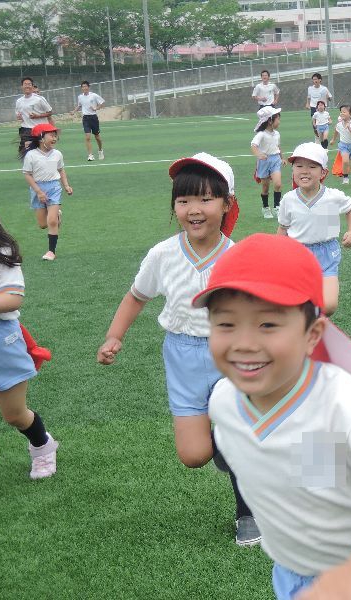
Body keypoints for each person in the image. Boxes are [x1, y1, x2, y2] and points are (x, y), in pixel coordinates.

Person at [192, 232, 351, 599]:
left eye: (268, 324)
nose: (244, 343)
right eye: (226, 324)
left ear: (312, 334)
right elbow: (316, 485)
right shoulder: (223, 401)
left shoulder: (343, 405)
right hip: (296, 571)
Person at [96, 153, 262, 547]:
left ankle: (249, 513)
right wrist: (114, 336)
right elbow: (136, 296)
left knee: (239, 432)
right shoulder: (163, 254)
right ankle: (225, 447)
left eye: (205, 199)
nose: (193, 209)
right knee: (193, 455)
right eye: (183, 200)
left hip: (231, 356)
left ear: (227, 203)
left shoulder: (239, 257)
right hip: (182, 356)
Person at [0, 207, 59, 479]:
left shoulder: (1, 252)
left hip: (0, 341)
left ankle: (42, 445)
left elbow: (12, 298)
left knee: (14, 414)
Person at [277, 143, 351, 316]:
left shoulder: (333, 196)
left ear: (323, 173)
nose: (304, 171)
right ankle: (308, 326)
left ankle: (315, 321)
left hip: (327, 253)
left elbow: (350, 208)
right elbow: (283, 228)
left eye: (312, 167)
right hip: (298, 255)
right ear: (292, 171)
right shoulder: (288, 199)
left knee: (329, 305)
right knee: (297, 305)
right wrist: (277, 253)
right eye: (299, 166)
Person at [20, 124, 72, 261]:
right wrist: (38, 192)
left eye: (55, 136)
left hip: (54, 187)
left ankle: (51, 251)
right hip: (37, 188)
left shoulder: (57, 154)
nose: (54, 138)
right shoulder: (31, 155)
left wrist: (66, 186)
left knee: (52, 222)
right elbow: (27, 174)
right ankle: (57, 215)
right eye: (51, 135)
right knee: (43, 224)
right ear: (41, 137)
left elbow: (61, 170)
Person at [252, 106, 284, 219]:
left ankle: (277, 207)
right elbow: (254, 146)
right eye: (278, 119)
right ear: (270, 121)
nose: (279, 121)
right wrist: (259, 154)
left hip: (275, 160)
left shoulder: (277, 134)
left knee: (278, 184)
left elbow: (278, 146)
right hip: (264, 161)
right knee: (265, 188)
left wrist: (282, 158)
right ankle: (265, 207)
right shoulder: (261, 134)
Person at [15, 77, 53, 156]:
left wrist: (37, 116)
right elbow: (19, 115)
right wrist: (19, 117)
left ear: (32, 86)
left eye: (29, 84)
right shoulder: (19, 101)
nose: (27, 86)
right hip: (26, 130)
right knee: (25, 154)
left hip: (40, 129)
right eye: (25, 84)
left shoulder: (39, 99)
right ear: (22, 86)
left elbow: (50, 112)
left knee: (43, 153)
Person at [72, 80, 105, 161]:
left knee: (97, 137)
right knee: (87, 137)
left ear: (88, 87)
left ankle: (100, 150)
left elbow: (102, 103)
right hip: (85, 118)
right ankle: (90, 155)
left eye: (85, 86)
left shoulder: (93, 95)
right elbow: (79, 105)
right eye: (83, 87)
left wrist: (96, 108)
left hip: (93, 118)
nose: (84, 88)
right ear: (81, 88)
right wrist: (74, 111)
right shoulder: (80, 97)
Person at [304, 73, 332, 139]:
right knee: (314, 121)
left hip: (322, 108)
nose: (314, 81)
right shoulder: (310, 88)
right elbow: (309, 97)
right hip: (313, 107)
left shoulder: (324, 88)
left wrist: (328, 97)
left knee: (323, 121)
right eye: (313, 79)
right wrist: (307, 103)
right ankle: (317, 134)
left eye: (316, 79)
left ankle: (323, 134)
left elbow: (330, 99)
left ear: (320, 80)